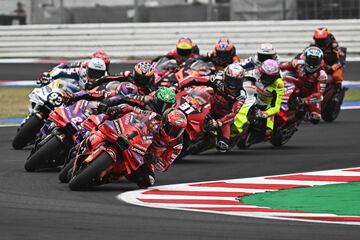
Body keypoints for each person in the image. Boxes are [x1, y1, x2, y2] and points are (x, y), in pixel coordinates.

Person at [177, 63, 247, 152]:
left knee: (223, 145)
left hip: (223, 116)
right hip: (209, 107)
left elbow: (233, 113)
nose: (232, 84)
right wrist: (179, 85)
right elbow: (195, 79)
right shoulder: (217, 79)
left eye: (236, 81)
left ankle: (214, 140)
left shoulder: (241, 95)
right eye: (230, 80)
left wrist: (218, 122)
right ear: (225, 77)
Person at [114, 108, 187, 188]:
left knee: (148, 181)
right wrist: (120, 109)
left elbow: (164, 167)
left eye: (178, 131)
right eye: (172, 129)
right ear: (165, 122)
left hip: (146, 157)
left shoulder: (177, 144)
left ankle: (124, 172)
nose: (174, 133)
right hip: (134, 140)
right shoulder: (153, 117)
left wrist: (154, 159)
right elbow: (134, 111)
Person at [234, 59, 285, 141]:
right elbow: (239, 78)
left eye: (270, 77)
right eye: (265, 75)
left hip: (267, 105)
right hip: (252, 97)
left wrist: (266, 113)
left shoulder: (279, 84)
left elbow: (276, 106)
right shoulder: (254, 72)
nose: (267, 78)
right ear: (261, 71)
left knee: (268, 133)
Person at [280, 47, 327, 124]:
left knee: (316, 118)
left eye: (315, 60)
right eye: (310, 59)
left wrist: (304, 100)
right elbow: (281, 66)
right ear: (305, 58)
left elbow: (319, 94)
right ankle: (282, 99)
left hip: (310, 95)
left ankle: (301, 114)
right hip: (298, 86)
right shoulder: (297, 63)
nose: (312, 62)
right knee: (286, 78)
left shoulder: (322, 75)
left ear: (320, 61)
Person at [38, 51, 111, 86]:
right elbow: (62, 69)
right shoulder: (82, 68)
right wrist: (49, 74)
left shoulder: (107, 77)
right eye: (93, 72)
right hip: (78, 93)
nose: (95, 75)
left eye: (98, 73)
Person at [86, 61, 155, 95]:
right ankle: (89, 94)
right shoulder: (128, 76)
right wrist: (95, 82)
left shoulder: (149, 91)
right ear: (135, 74)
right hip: (112, 95)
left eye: (145, 79)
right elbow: (110, 77)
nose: (141, 81)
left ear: (150, 79)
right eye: (139, 77)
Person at [105, 87, 177, 116]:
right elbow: (124, 98)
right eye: (162, 104)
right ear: (155, 100)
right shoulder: (145, 100)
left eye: (168, 106)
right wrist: (108, 103)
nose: (165, 108)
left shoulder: (170, 116)